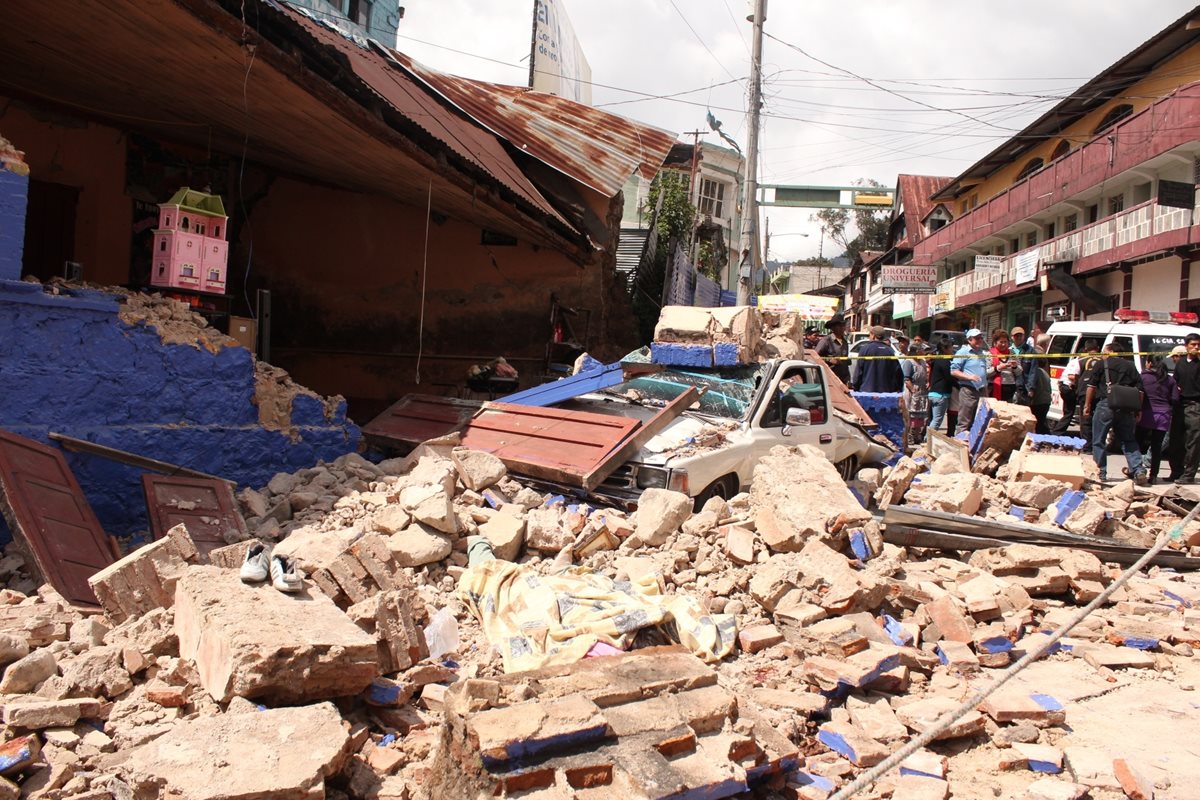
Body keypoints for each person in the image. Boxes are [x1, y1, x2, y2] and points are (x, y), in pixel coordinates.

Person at [1083, 341, 1146, 484]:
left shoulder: (1101, 364)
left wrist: (1087, 405)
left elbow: (1091, 386)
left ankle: (1100, 472)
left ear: (1110, 351)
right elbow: (1140, 391)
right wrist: (1138, 409)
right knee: (1128, 440)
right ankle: (1138, 470)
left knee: (1098, 440)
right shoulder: (1130, 366)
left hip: (1106, 404)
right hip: (1126, 407)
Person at [1136, 354, 1179, 484]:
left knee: (1137, 443)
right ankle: (1153, 476)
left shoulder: (1143, 377)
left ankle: (1137, 471)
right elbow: (1175, 399)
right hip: (1164, 416)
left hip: (1146, 415)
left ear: (1149, 363)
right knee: (1157, 447)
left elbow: (1137, 394)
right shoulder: (1170, 380)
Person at [949, 329, 988, 436]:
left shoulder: (981, 353)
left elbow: (984, 371)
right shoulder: (963, 352)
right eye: (977, 338)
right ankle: (961, 444)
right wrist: (969, 377)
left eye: (981, 338)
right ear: (969, 340)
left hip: (982, 390)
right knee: (964, 421)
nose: (980, 340)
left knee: (980, 419)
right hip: (968, 390)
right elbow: (953, 371)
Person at [1172, 333, 1200, 484]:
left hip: (1195, 406)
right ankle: (1176, 471)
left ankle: (1189, 475)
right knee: (1175, 440)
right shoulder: (1181, 363)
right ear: (1187, 346)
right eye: (1193, 345)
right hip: (1179, 405)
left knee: (1193, 441)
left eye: (1198, 345)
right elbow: (1175, 382)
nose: (1196, 347)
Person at [852, 325, 903, 393]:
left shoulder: (865, 349)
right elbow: (898, 374)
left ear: (873, 335)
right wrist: (897, 390)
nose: (869, 337)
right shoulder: (890, 351)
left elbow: (858, 373)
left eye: (869, 335)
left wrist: (856, 387)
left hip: (866, 392)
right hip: (886, 393)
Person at [1167, 344, 1189, 481]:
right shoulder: (1179, 368)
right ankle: (1176, 471)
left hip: (1189, 407)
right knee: (1174, 441)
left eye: (1174, 357)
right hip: (1177, 408)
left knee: (1188, 442)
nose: (1173, 360)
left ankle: (1185, 472)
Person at [903, 342, 931, 446]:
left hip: (922, 390)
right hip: (913, 390)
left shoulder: (923, 362)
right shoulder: (909, 362)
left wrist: (927, 383)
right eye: (921, 351)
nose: (923, 352)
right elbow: (907, 379)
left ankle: (917, 435)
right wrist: (913, 390)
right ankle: (910, 435)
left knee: (921, 415)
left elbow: (925, 374)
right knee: (911, 414)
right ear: (916, 351)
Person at [928, 339, 955, 434]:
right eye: (951, 347)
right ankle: (927, 441)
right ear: (945, 348)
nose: (952, 349)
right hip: (940, 395)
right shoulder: (944, 361)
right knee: (937, 421)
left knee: (933, 420)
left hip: (934, 393)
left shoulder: (937, 359)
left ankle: (927, 439)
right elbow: (949, 377)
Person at [816, 315, 851, 386]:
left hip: (843, 378)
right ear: (833, 328)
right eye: (839, 326)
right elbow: (815, 356)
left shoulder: (844, 342)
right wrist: (829, 360)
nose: (842, 328)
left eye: (843, 326)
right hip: (830, 378)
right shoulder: (826, 340)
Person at [988, 329, 1021, 402]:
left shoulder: (1012, 353)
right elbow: (985, 373)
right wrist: (998, 368)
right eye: (1001, 342)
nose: (1003, 344)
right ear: (995, 343)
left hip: (1010, 388)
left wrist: (1015, 367)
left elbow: (1019, 372)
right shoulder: (989, 354)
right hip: (993, 388)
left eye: (1005, 342)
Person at [1029, 334, 1053, 434]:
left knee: (1039, 423)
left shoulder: (1038, 352)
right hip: (1040, 396)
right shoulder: (1039, 353)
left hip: (1040, 395)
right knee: (1039, 423)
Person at [1010, 326, 1038, 405]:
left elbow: (1033, 370)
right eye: (1016, 335)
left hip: (1024, 388)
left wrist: (1031, 388)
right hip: (1010, 386)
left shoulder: (1030, 351)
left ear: (1024, 336)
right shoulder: (1008, 350)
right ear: (1012, 337)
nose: (1018, 337)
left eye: (1020, 335)